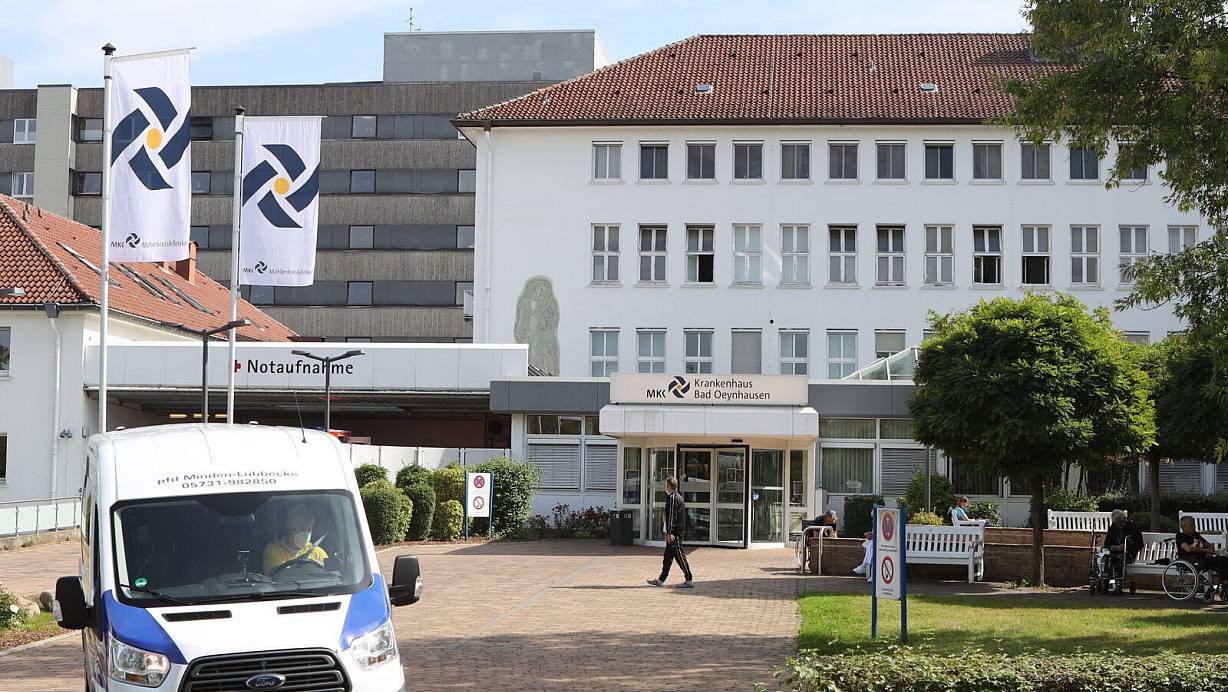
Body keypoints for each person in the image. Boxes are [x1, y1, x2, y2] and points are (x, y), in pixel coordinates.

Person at [647, 476, 693, 588]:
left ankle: (689, 579)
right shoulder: (675, 497)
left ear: (669, 486)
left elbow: (672, 517)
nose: (665, 487)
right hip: (675, 532)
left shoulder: (673, 498)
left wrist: (669, 533)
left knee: (679, 556)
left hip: (675, 534)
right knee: (667, 557)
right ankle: (661, 579)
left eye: (665, 485)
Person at [263, 503, 329, 575]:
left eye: (308, 530)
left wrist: (316, 563)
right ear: (289, 525)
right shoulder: (273, 549)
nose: (304, 532)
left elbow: (337, 572)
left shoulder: (318, 551)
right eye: (301, 527)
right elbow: (273, 575)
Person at [1175, 516, 1228, 587]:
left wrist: (1210, 550)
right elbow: (1188, 549)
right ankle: (1225, 583)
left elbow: (1209, 544)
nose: (1194, 526)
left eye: (1194, 524)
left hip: (1203, 560)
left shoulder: (1195, 534)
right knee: (1221, 561)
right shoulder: (1180, 536)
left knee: (1223, 559)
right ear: (1184, 526)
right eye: (1192, 525)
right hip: (1192, 561)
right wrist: (1206, 550)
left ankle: (1224, 582)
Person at [1101, 509, 1143, 594]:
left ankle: (1119, 585)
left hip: (1129, 554)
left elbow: (1140, 544)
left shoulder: (1132, 527)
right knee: (1107, 559)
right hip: (1115, 553)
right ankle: (1105, 584)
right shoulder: (1113, 527)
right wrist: (1112, 547)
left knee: (1118, 560)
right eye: (1117, 524)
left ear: (1124, 520)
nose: (1119, 526)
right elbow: (1107, 543)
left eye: (1121, 523)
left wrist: (1126, 546)